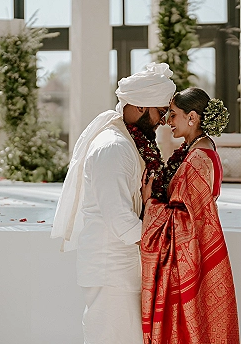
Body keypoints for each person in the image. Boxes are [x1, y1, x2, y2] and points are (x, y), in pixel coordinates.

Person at [51, 62, 176, 344]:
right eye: (160, 112)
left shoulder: (130, 140)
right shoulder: (113, 147)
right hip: (112, 270)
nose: (163, 120)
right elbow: (121, 220)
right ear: (141, 107)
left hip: (125, 268)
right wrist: (164, 242)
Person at [140, 87, 240, 344]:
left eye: (173, 115)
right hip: (198, 247)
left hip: (191, 252)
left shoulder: (198, 159)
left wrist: (149, 201)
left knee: (188, 325)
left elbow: (185, 219)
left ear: (192, 118)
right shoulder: (197, 149)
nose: (168, 122)